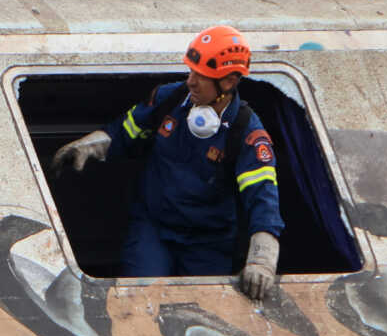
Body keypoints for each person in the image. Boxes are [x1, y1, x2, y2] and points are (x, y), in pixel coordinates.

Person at [52, 25, 284, 300]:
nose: (191, 82)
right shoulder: (168, 100)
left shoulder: (247, 135)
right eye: (191, 71)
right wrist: (87, 146)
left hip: (208, 244)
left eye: (202, 76)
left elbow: (263, 200)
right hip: (154, 231)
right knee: (138, 303)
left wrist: (261, 261)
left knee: (202, 313)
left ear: (229, 82)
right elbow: (123, 133)